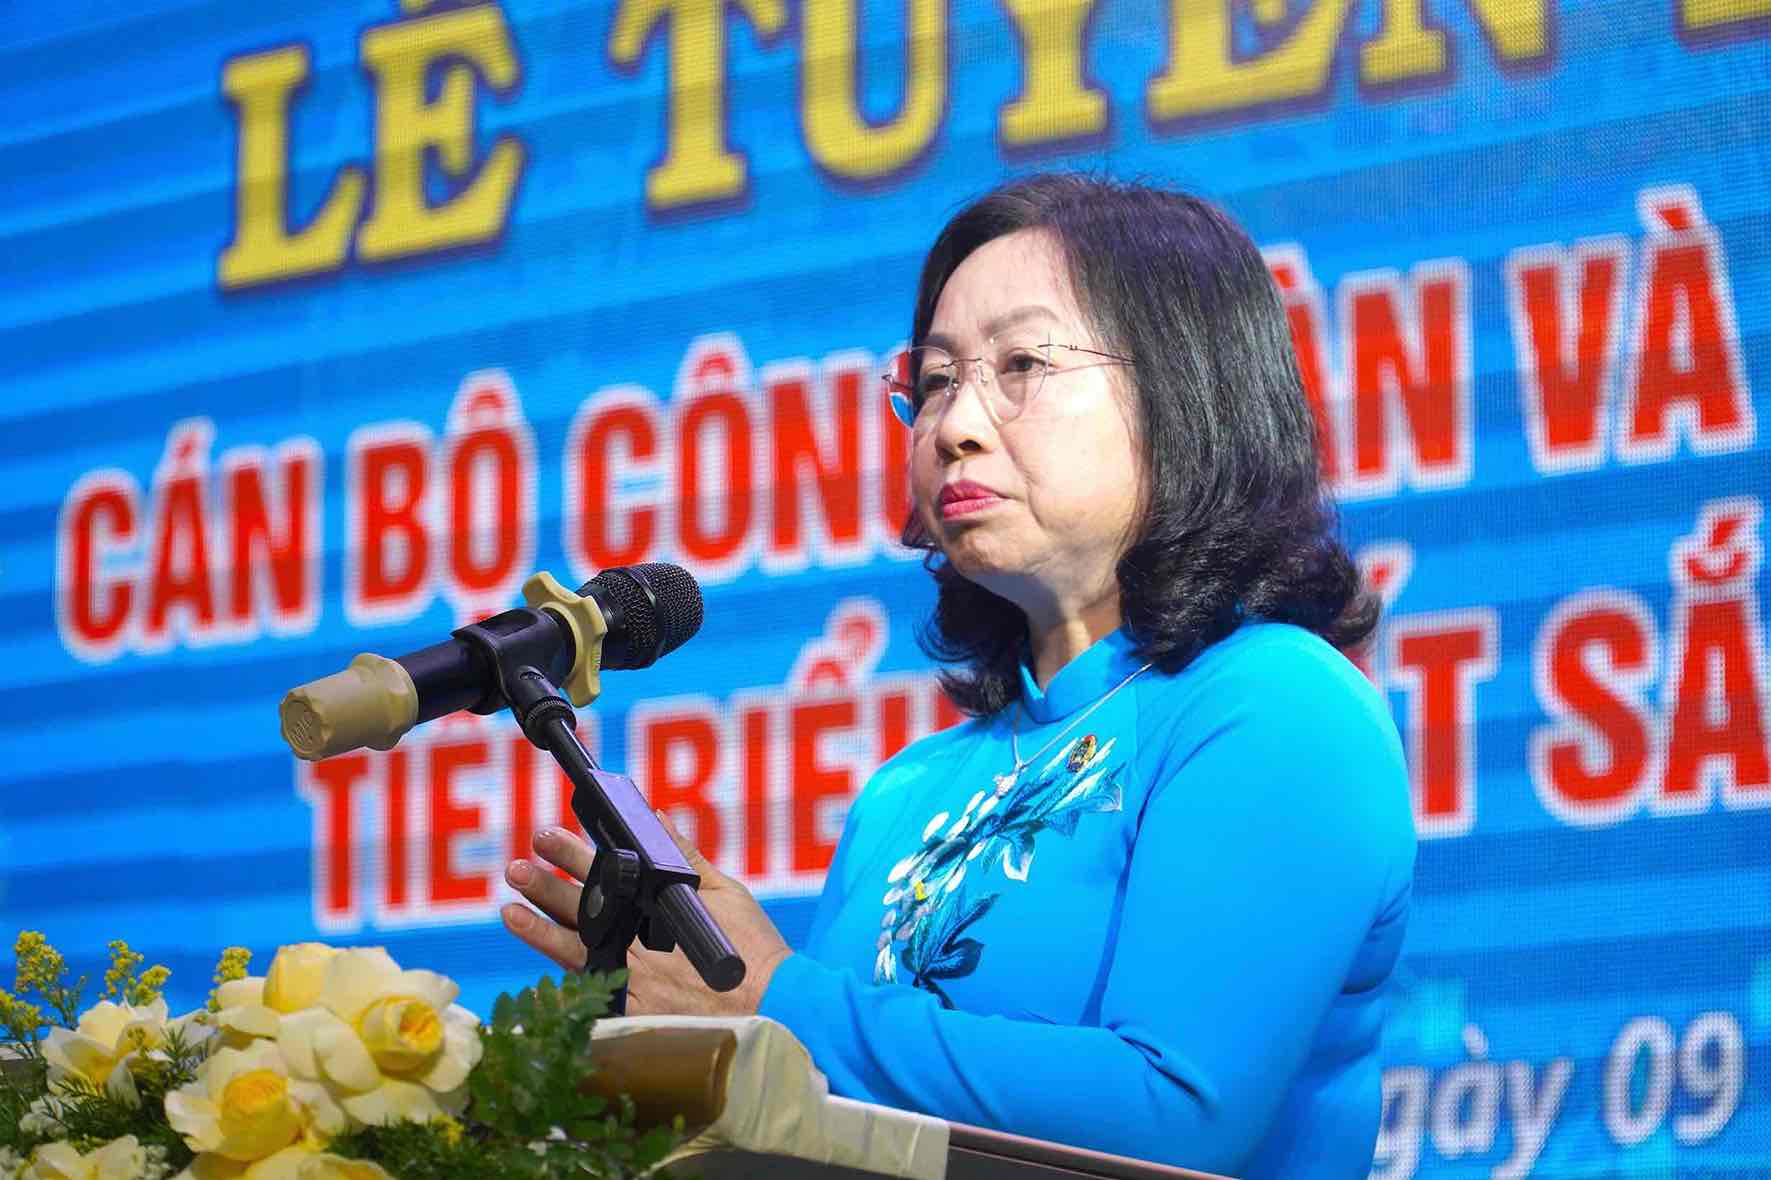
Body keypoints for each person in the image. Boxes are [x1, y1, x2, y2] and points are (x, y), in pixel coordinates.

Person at [500, 173, 1416, 1178]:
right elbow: (829, 1132)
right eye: (934, 380)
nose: (954, 425)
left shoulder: (1277, 703)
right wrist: (679, 1036)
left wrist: (774, 1004)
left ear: (1187, 386)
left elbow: (1177, 1109)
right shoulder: (907, 791)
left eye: (1020, 363)